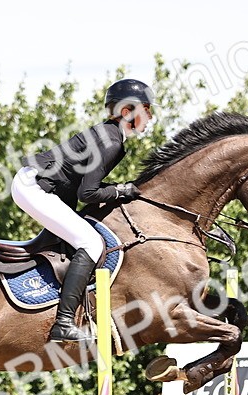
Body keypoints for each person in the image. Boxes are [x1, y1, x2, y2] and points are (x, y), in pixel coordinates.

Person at [11, 78, 155, 342]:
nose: (151, 117)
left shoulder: (112, 136)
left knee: (79, 235)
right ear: (127, 113)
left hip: (44, 185)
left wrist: (118, 189)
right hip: (35, 186)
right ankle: (63, 323)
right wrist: (121, 190)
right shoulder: (111, 142)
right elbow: (87, 193)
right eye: (147, 110)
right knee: (91, 244)